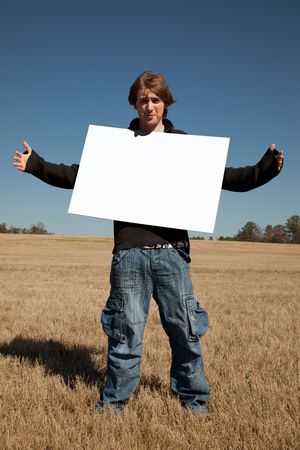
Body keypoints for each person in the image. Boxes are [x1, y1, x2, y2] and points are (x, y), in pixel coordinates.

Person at [13, 71, 284, 416]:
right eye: (143, 99)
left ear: (165, 104)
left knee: (185, 332)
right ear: (134, 103)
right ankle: (114, 404)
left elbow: (225, 177)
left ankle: (195, 402)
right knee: (125, 333)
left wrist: (265, 170)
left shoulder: (184, 146)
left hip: (172, 254)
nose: (150, 105)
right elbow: (77, 175)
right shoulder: (118, 146)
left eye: (156, 99)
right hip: (129, 255)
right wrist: (36, 164)